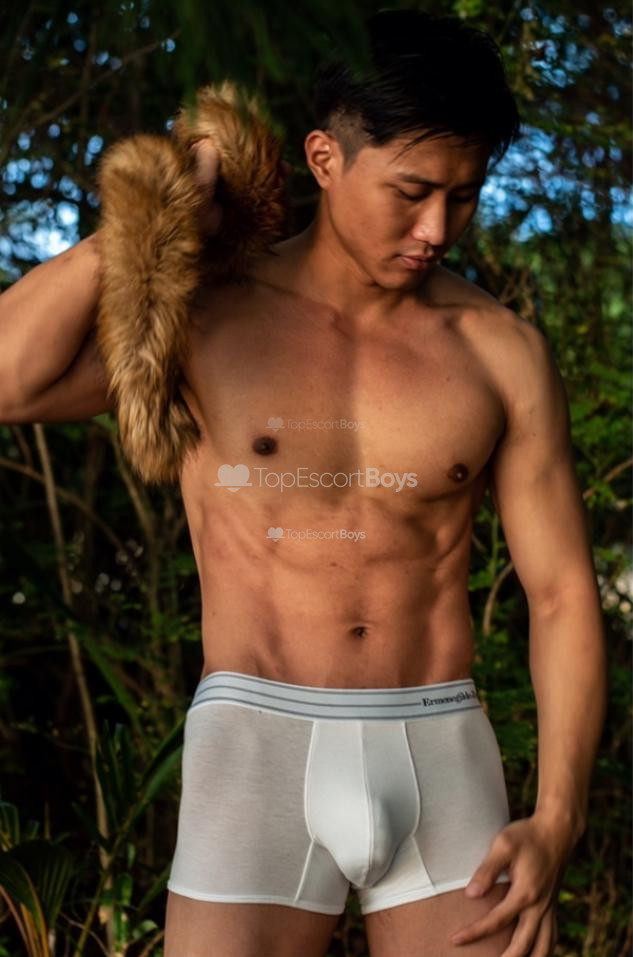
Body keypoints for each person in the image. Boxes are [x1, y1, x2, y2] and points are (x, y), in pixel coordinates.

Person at [0, 9, 607, 957]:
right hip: (255, 747)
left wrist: (558, 814)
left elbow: (562, 592)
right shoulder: (207, 320)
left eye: (463, 196)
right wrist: (152, 217)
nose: (436, 228)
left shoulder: (501, 354)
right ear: (324, 158)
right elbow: (11, 379)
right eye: (411, 191)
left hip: (438, 749)